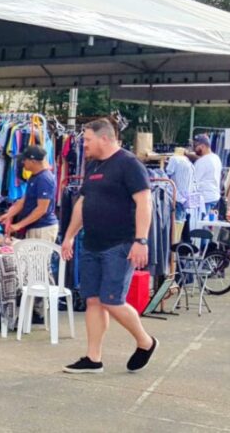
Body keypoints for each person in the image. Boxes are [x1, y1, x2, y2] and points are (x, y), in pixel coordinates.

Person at [61, 120, 157, 375]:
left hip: (120, 244)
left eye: (87, 140)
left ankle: (145, 341)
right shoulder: (93, 166)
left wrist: (141, 240)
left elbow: (144, 203)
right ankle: (93, 359)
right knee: (93, 301)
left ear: (105, 139)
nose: (84, 144)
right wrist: (69, 236)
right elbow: (82, 203)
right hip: (91, 243)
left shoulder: (129, 164)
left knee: (112, 301)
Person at [0, 145, 59, 242]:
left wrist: (18, 225)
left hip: (42, 228)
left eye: (25, 160)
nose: (22, 162)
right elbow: (23, 201)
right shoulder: (34, 176)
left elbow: (41, 209)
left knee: (38, 257)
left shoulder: (44, 179)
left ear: (33, 161)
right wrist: (8, 215)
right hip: (34, 227)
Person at [191, 135, 222, 217]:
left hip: (205, 199)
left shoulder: (202, 162)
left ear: (202, 146)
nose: (194, 149)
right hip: (215, 197)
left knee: (201, 226)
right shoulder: (216, 158)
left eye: (195, 146)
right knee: (210, 223)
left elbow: (194, 181)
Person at [165, 147, 196, 223]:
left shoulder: (174, 159)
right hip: (188, 197)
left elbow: (168, 173)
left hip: (177, 196)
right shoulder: (190, 163)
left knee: (176, 222)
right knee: (182, 221)